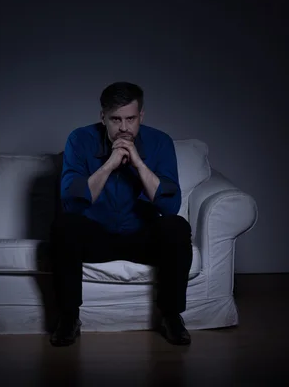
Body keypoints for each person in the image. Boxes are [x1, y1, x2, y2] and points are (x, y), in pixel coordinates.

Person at [49, 81, 193, 347]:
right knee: (64, 225)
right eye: (115, 119)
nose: (124, 128)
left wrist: (137, 163)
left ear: (141, 116)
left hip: (141, 237)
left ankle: (171, 316)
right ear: (102, 117)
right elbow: (72, 204)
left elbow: (169, 206)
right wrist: (108, 165)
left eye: (131, 119)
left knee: (177, 226)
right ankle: (69, 317)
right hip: (96, 237)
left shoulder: (160, 142)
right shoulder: (79, 140)